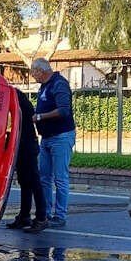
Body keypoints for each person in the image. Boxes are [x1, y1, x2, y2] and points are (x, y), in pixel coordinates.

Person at [27, 58, 76, 233]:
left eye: (34, 72)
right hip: (47, 137)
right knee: (44, 178)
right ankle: (45, 213)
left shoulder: (59, 84)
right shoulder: (44, 86)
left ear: (42, 70)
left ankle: (60, 216)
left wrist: (39, 117)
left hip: (61, 136)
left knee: (60, 178)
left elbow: (64, 110)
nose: (33, 76)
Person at [6, 88, 47, 229]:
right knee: (26, 182)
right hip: (26, 143)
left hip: (26, 144)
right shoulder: (21, 100)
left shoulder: (16, 102)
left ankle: (41, 217)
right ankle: (25, 215)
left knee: (33, 181)